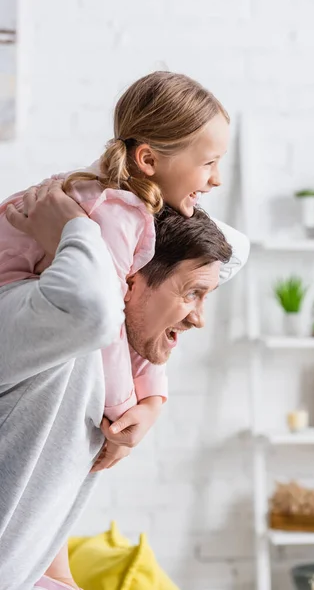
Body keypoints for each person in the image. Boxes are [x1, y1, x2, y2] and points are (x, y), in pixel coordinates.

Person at [0, 181, 248, 590]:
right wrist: (75, 229)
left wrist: (153, 398)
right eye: (193, 294)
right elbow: (93, 309)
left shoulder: (101, 364)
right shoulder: (35, 317)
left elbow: (42, 553)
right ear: (126, 280)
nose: (199, 318)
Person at [0, 70, 233, 441]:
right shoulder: (114, 212)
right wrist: (123, 408)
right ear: (148, 160)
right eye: (209, 163)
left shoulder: (130, 201)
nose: (217, 179)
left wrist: (153, 397)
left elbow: (135, 307)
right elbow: (108, 322)